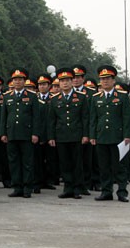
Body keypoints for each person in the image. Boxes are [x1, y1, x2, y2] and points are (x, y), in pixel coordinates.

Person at [90, 65, 130, 202]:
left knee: (120, 166)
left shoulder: (122, 96)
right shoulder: (96, 97)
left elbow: (127, 117)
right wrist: (92, 136)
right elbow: (93, 119)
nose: (105, 81)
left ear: (113, 80)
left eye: (108, 78)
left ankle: (122, 192)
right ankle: (106, 191)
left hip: (118, 137)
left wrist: (127, 135)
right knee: (103, 166)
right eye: (102, 79)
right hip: (101, 136)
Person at [47, 68, 89, 199]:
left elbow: (85, 118)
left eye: (67, 80)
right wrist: (51, 137)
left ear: (72, 82)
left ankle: (77, 188)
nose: (65, 83)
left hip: (77, 135)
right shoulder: (54, 99)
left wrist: (85, 135)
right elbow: (51, 120)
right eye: (62, 81)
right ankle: (68, 188)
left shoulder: (81, 97)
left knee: (77, 163)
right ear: (59, 83)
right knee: (64, 163)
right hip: (61, 136)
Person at [0, 68, 40, 198]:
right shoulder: (7, 96)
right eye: (15, 79)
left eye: (20, 79)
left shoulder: (32, 96)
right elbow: (3, 117)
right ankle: (17, 187)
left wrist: (35, 133)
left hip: (27, 133)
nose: (17, 82)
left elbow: (36, 117)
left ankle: (27, 188)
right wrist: (3, 133)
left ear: (24, 81)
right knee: (14, 162)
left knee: (27, 162)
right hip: (11, 133)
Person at [72, 64, 97, 194]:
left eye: (78, 77)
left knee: (87, 160)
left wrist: (89, 134)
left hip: (87, 131)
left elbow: (92, 116)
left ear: (83, 78)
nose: (76, 80)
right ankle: (75, 183)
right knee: (74, 160)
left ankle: (86, 184)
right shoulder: (67, 93)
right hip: (72, 132)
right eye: (74, 77)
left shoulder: (92, 93)